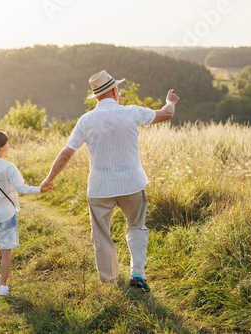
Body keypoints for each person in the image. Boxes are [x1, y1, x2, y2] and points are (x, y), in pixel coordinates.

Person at [40, 70, 179, 292]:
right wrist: (169, 101)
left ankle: (109, 282)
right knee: (136, 227)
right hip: (131, 183)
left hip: (100, 187)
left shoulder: (86, 120)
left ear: (96, 97)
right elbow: (166, 114)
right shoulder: (132, 112)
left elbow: (66, 153)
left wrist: (49, 179)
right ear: (115, 91)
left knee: (102, 236)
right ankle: (137, 274)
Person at [0, 130, 50, 296]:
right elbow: (20, 188)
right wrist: (40, 189)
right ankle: (2, 286)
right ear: (0, 148)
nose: (8, 146)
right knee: (6, 251)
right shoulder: (9, 167)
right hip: (6, 215)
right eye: (6, 143)